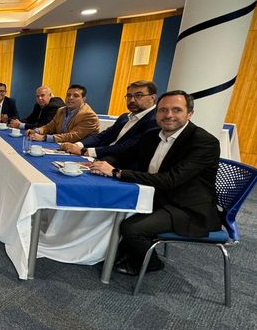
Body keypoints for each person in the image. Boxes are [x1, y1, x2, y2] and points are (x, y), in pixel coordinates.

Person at [89, 90, 221, 275]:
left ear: (189, 114)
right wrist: (100, 163)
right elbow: (124, 155)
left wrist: (117, 172)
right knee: (110, 209)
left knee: (131, 228)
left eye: (176, 110)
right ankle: (119, 251)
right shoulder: (151, 135)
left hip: (186, 207)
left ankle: (152, 263)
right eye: (163, 110)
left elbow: (170, 180)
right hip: (155, 195)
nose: (169, 115)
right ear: (156, 113)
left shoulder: (204, 142)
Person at [59, 80, 158, 167]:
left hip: (120, 167)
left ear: (152, 98)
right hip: (99, 159)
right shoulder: (125, 117)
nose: (132, 100)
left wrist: (84, 151)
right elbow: (102, 136)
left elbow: (125, 148)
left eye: (139, 95)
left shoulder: (154, 121)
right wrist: (77, 145)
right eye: (129, 96)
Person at [27, 84, 98, 143]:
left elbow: (72, 136)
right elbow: (50, 127)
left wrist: (44, 137)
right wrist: (36, 131)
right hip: (60, 146)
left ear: (83, 99)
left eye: (76, 96)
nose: (70, 98)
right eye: (68, 95)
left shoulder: (89, 116)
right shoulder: (61, 110)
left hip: (78, 151)